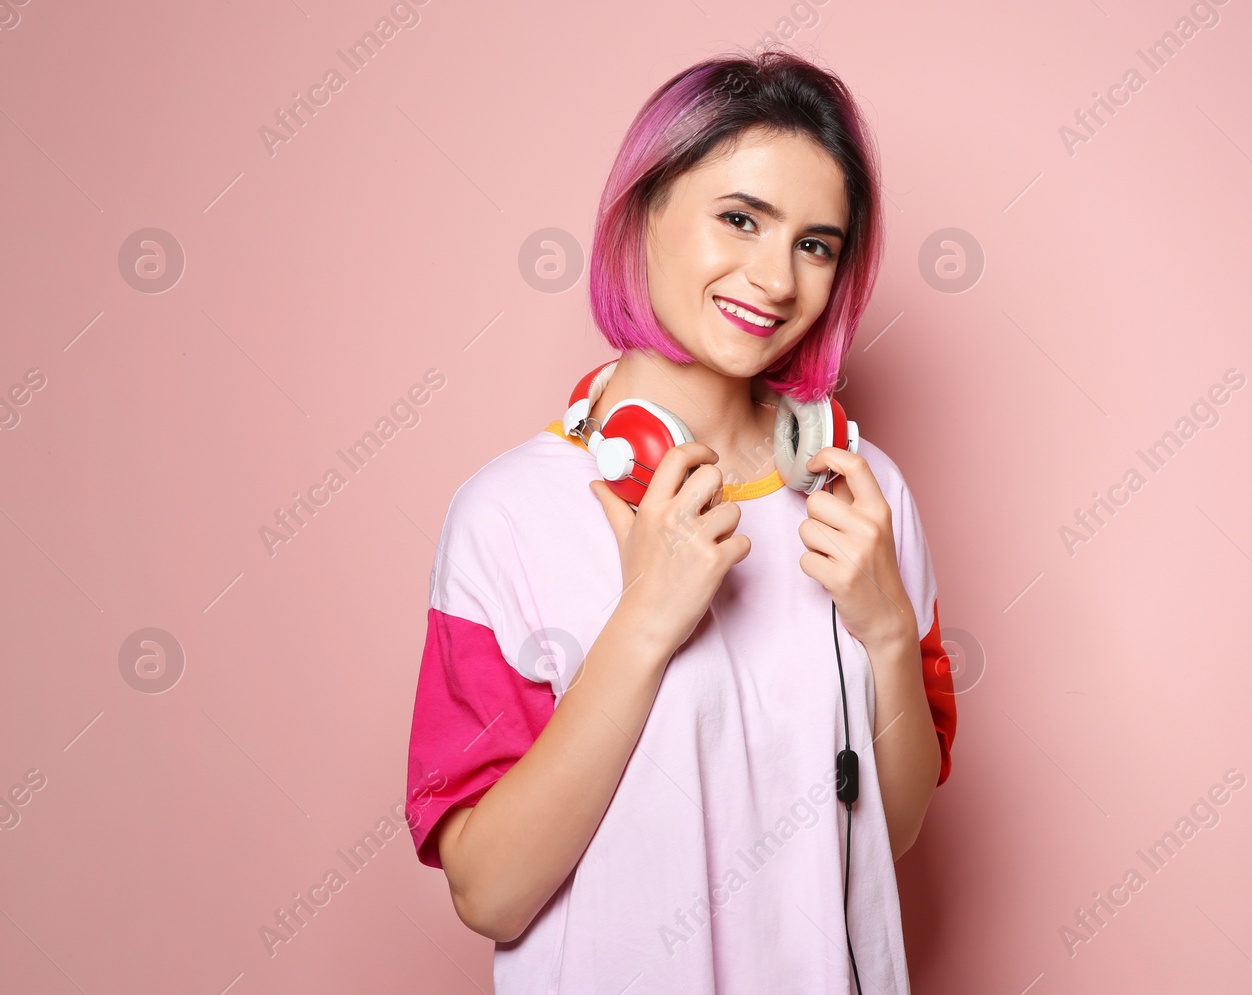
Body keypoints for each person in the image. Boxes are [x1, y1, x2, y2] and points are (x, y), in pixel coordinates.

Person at [404, 48, 957, 994]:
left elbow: (889, 832)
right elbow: (489, 893)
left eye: (815, 244)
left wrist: (887, 628)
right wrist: (647, 621)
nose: (776, 279)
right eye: (740, 219)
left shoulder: (862, 500)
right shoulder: (508, 513)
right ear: (643, 212)